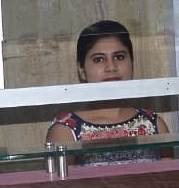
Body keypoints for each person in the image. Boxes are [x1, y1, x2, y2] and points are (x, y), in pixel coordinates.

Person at [46, 20, 170, 163]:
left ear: (132, 63)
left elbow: (168, 183)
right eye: (99, 59)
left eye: (119, 57)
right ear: (82, 69)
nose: (111, 67)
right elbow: (64, 186)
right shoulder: (66, 131)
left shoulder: (153, 125)